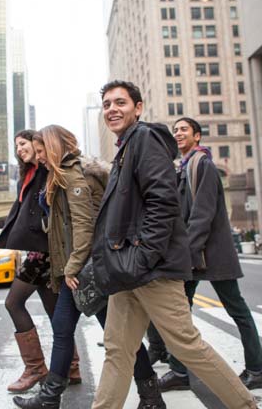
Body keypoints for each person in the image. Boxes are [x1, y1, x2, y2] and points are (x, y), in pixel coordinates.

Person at [91, 80, 257, 409]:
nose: (112, 109)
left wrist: (143, 257)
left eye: (120, 102)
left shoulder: (145, 139)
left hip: (151, 269)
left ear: (138, 108)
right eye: (107, 104)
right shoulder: (126, 146)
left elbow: (163, 203)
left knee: (186, 345)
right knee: (117, 349)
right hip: (129, 269)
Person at [13, 125, 165, 409]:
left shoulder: (75, 176)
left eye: (41, 151)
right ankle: (51, 398)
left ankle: (150, 395)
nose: (39, 157)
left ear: (54, 147)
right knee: (68, 329)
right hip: (78, 269)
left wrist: (71, 268)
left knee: (119, 337)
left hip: (86, 271)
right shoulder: (60, 175)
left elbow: (84, 226)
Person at [149, 117, 262, 392]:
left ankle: (257, 369)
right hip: (194, 254)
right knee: (179, 314)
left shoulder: (204, 166)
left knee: (237, 310)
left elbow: (202, 213)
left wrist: (186, 253)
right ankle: (178, 371)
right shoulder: (185, 168)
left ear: (197, 136)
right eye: (175, 130)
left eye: (184, 129)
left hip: (210, 254)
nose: (178, 134)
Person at [0, 129, 80, 393]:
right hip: (41, 250)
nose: (20, 149)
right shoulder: (31, 174)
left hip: (43, 252)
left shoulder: (47, 171)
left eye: (25, 144)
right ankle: (71, 367)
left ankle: (35, 368)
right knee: (55, 311)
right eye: (17, 145)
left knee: (13, 302)